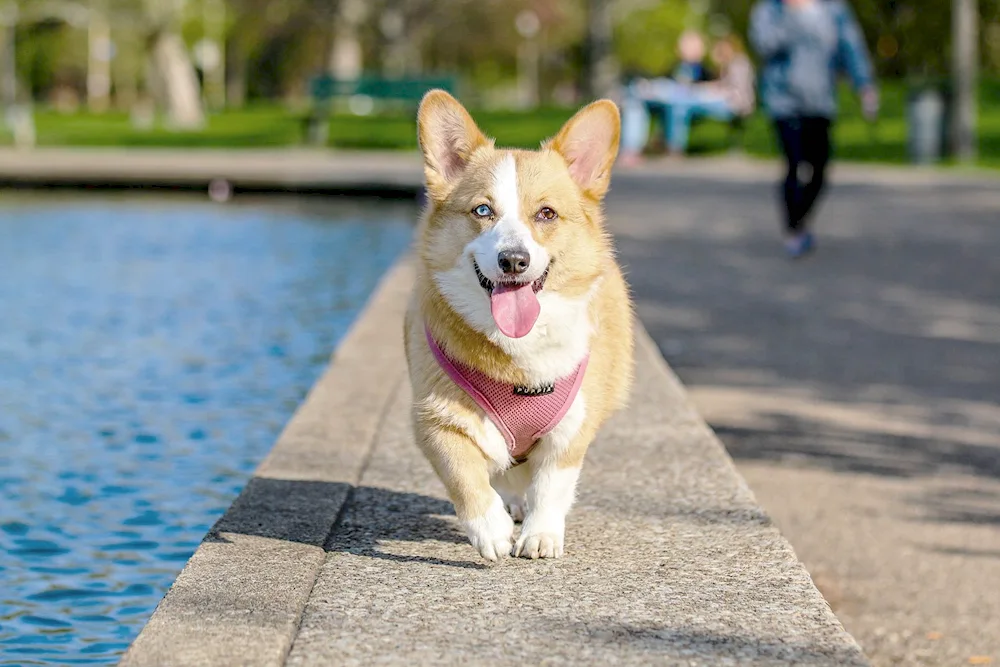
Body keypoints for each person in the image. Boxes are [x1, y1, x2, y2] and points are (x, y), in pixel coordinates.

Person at [750, 0, 878, 258]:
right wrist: (791, 14)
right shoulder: (770, 10)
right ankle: (794, 229)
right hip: (784, 101)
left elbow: (850, 47)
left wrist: (864, 85)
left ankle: (801, 219)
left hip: (820, 101)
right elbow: (764, 45)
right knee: (794, 164)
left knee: (820, 170)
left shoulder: (834, 10)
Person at [620, 33, 755, 164]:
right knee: (637, 98)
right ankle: (634, 149)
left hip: (731, 104)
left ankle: (671, 147)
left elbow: (733, 91)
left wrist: (708, 89)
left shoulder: (732, 64)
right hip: (676, 99)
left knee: (678, 104)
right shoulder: (677, 66)